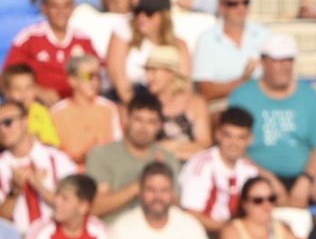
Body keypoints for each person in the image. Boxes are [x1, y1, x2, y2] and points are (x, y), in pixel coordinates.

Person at [228, 33, 316, 206]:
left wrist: (306, 179)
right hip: (254, 175)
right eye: (278, 60)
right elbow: (233, 146)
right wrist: (265, 177)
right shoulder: (242, 96)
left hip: (302, 177)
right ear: (263, 62)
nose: (285, 66)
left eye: (289, 60)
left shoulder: (309, 96)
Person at [101, 161, 217, 239]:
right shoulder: (122, 227)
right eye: (151, 190)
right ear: (140, 192)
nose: (157, 197)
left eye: (164, 190)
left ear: (172, 193)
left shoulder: (190, 225)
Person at [178, 106, 272, 234]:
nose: (234, 143)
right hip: (203, 233)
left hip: (238, 234)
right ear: (218, 134)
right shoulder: (202, 164)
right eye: (228, 136)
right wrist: (230, 232)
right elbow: (191, 214)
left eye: (241, 137)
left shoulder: (250, 170)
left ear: (250, 139)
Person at [87, 91, 178, 219]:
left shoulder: (167, 158)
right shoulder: (101, 154)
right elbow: (95, 208)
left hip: (156, 229)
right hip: (113, 228)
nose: (143, 127)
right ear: (127, 119)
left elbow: (176, 207)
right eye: (138, 119)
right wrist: (144, 182)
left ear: (159, 126)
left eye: (151, 122)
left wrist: (161, 178)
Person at [6, 0, 98, 103]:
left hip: (77, 104)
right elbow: (8, 77)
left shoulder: (84, 40)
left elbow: (96, 75)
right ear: (44, 8)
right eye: (55, 6)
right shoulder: (29, 38)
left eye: (66, 6)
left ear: (73, 8)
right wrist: (38, 91)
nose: (61, 12)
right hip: (38, 105)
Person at [0, 97, 77, 229]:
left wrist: (39, 186)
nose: (2, 129)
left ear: (25, 121)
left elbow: (75, 205)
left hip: (56, 234)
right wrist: (15, 192)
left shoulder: (56, 158)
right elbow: (2, 222)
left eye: (8, 122)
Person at [190, 0, 268, 101]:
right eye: (233, 3)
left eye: (245, 2)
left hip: (261, 102)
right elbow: (206, 92)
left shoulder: (264, 34)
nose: (241, 8)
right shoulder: (207, 40)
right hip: (224, 105)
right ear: (221, 6)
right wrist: (243, 80)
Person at [109, 0, 185, 102]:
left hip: (166, 102)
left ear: (164, 16)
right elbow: (117, 77)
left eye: (149, 13)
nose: (142, 17)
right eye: (138, 11)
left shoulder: (178, 45)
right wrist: (137, 107)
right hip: (127, 100)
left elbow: (183, 85)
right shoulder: (124, 33)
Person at [50, 53, 119, 162]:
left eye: (97, 76)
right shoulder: (57, 112)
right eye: (89, 76)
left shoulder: (109, 108)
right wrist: (81, 157)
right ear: (72, 80)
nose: (94, 82)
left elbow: (117, 146)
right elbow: (53, 153)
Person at [141, 47, 210, 153]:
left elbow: (204, 146)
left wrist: (172, 148)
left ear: (170, 73)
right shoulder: (144, 104)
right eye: (147, 71)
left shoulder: (195, 103)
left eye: (154, 71)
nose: (148, 77)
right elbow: (141, 147)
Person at [2, 64, 57, 147]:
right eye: (17, 88)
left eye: (28, 88)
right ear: (7, 92)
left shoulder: (41, 112)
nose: (23, 93)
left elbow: (52, 143)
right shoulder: (2, 115)